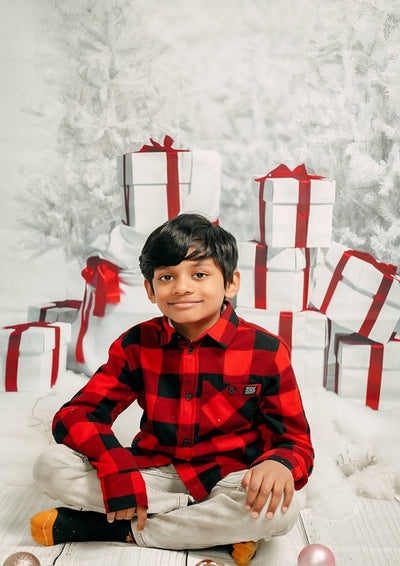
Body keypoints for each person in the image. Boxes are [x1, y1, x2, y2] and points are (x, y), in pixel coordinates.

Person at [30, 213, 314, 566]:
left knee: (281, 512)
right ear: (150, 289)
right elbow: (76, 414)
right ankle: (206, 528)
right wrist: (116, 466)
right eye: (167, 277)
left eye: (199, 274)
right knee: (49, 465)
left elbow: (296, 442)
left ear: (231, 283)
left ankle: (123, 530)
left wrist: (280, 464)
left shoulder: (266, 350)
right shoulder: (137, 343)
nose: (182, 287)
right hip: (151, 473)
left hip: (226, 480)